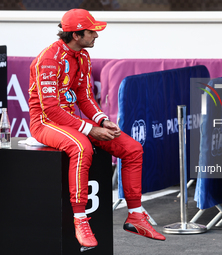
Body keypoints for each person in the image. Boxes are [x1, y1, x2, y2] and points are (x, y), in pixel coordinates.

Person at [28, 8, 166, 248]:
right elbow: (49, 110)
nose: (96, 35)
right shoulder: (49, 59)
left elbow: (85, 97)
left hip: (70, 121)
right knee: (82, 147)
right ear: (76, 35)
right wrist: (89, 130)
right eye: (92, 31)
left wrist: (102, 120)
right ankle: (80, 219)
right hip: (45, 123)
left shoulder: (82, 56)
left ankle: (135, 214)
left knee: (132, 148)